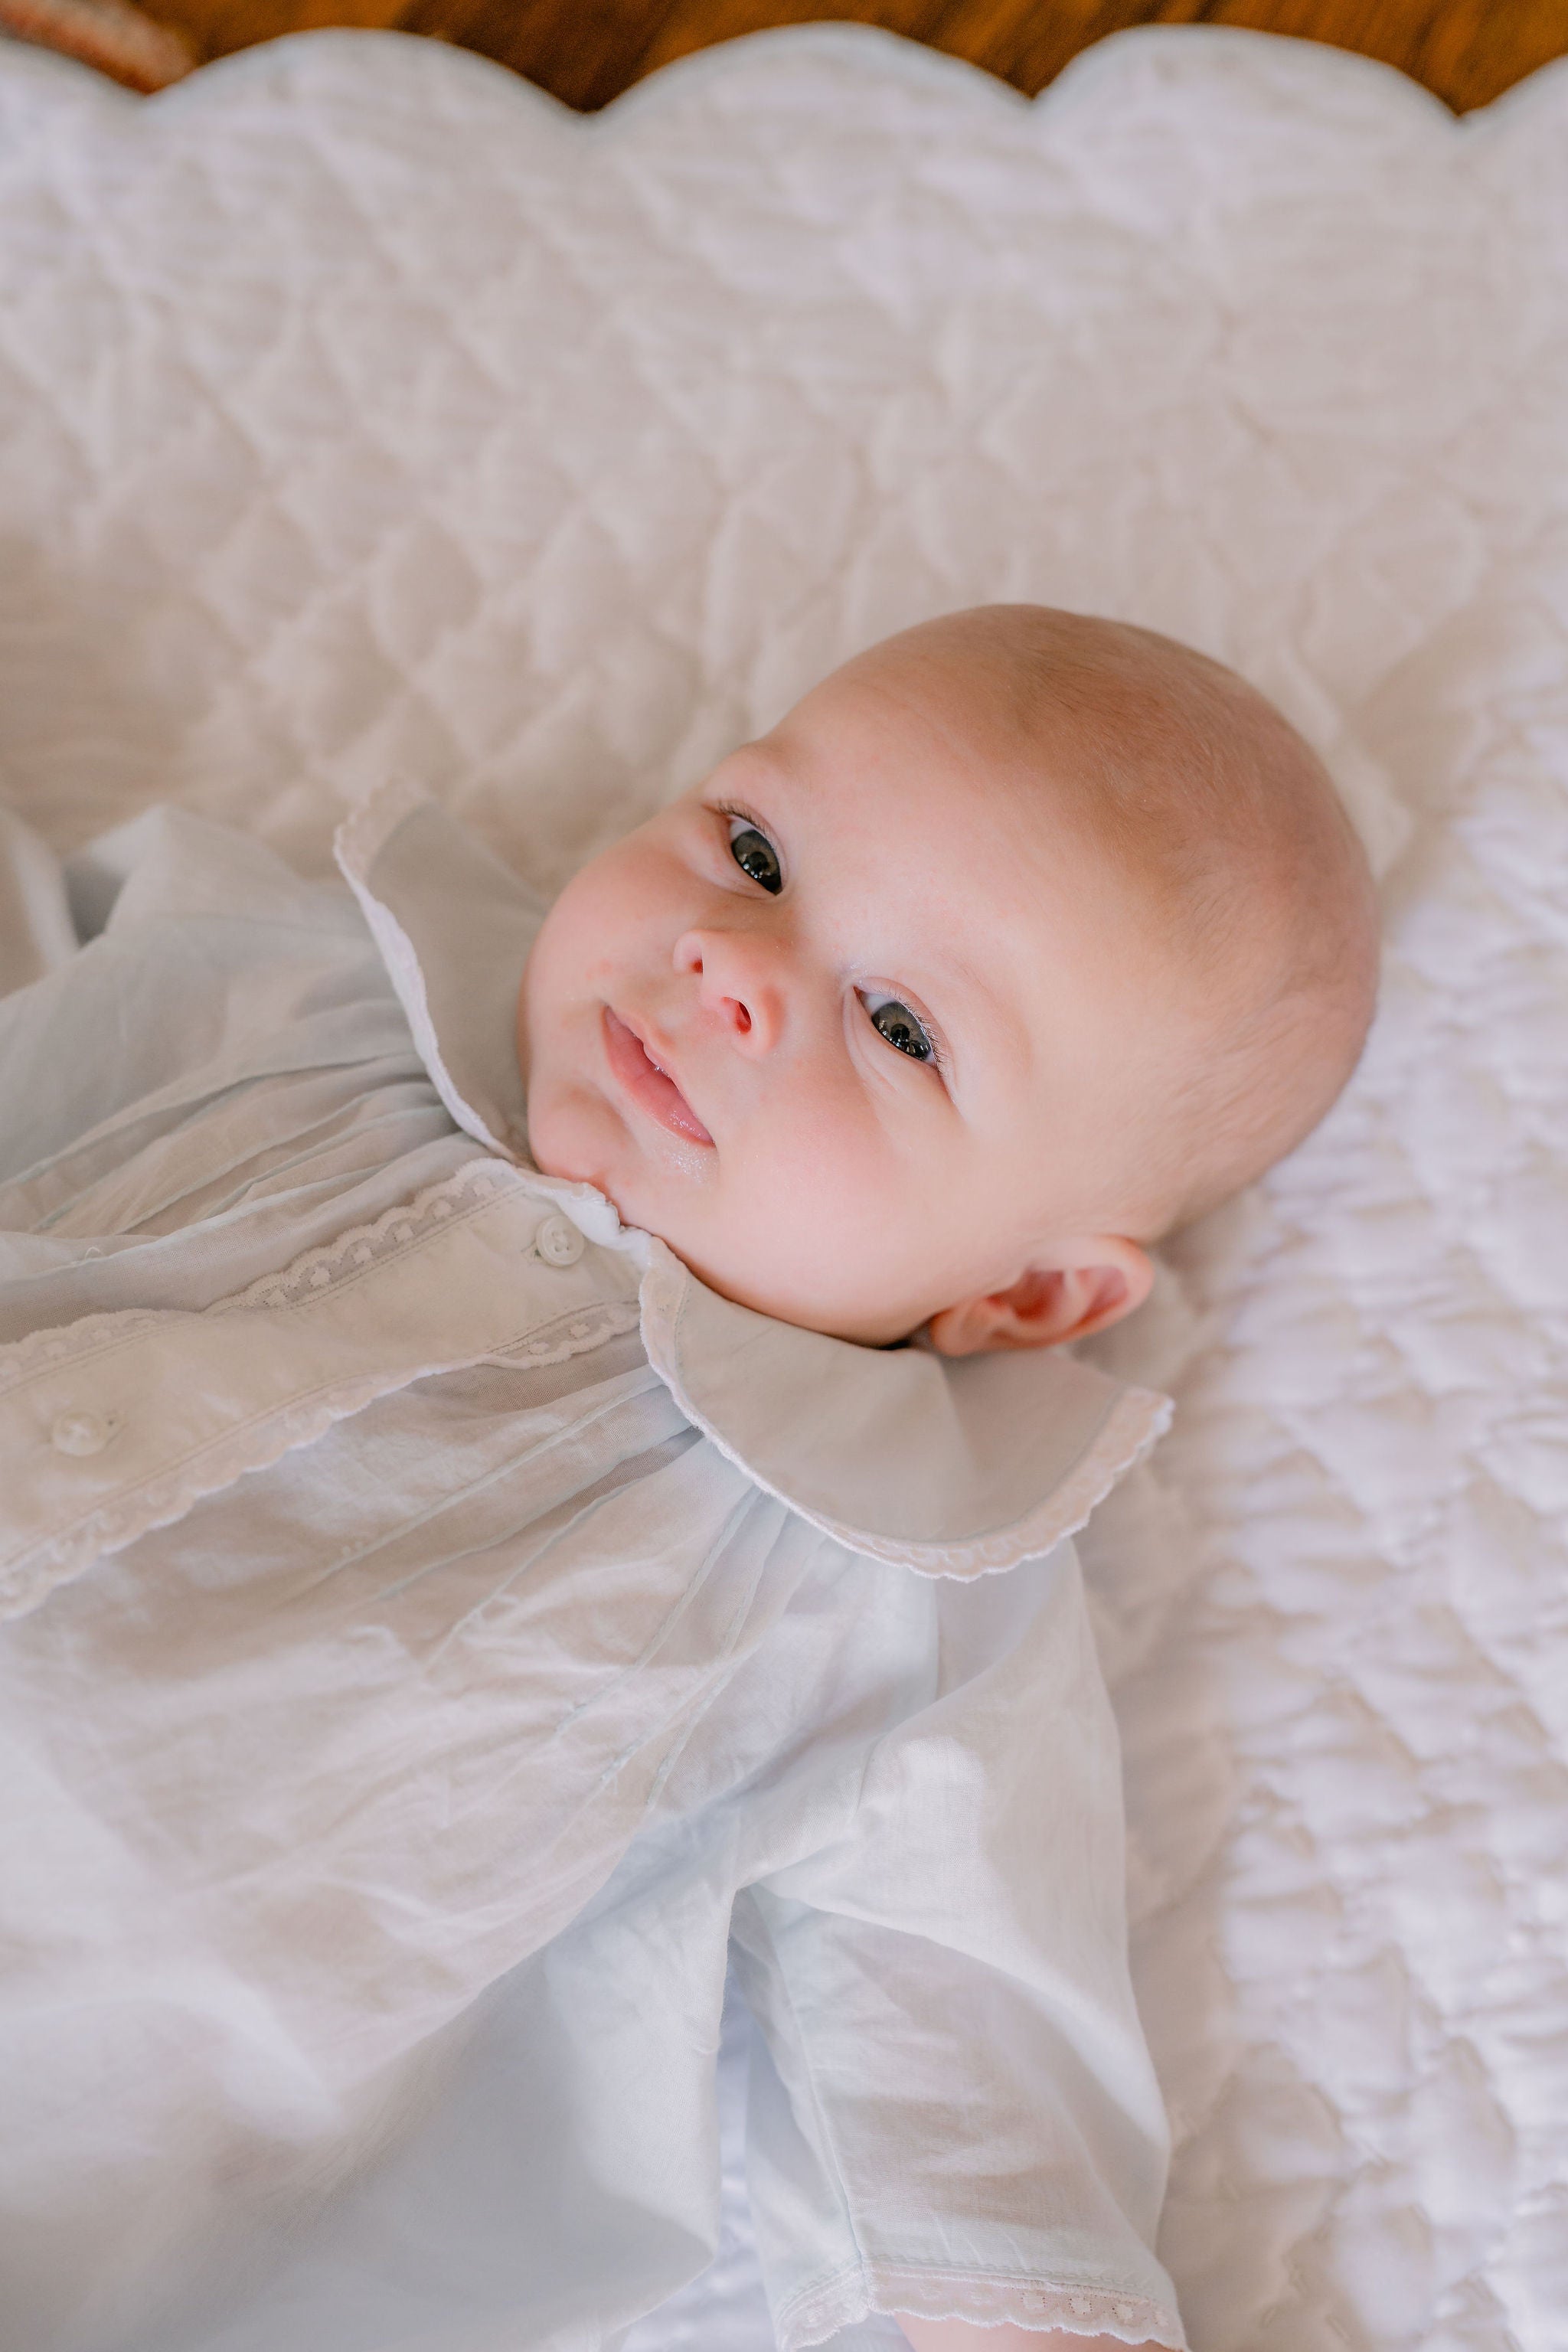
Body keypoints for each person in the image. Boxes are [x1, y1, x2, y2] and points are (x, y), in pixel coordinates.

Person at [0, 605, 1377, 2352]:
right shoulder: (308, 983)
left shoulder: (892, 1587)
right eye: (755, 850)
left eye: (898, 1026)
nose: (733, 958)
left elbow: (958, 2047)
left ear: (1028, 1296)